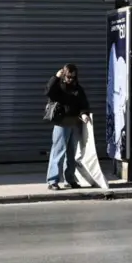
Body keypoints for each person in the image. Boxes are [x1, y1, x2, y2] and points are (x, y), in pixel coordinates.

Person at [45, 63, 90, 191]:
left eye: (73, 77)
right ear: (64, 75)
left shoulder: (78, 89)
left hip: (74, 123)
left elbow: (83, 104)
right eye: (68, 77)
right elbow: (48, 91)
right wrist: (55, 77)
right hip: (61, 123)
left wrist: (84, 114)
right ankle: (52, 180)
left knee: (72, 154)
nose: (70, 79)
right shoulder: (58, 86)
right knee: (58, 152)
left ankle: (69, 179)